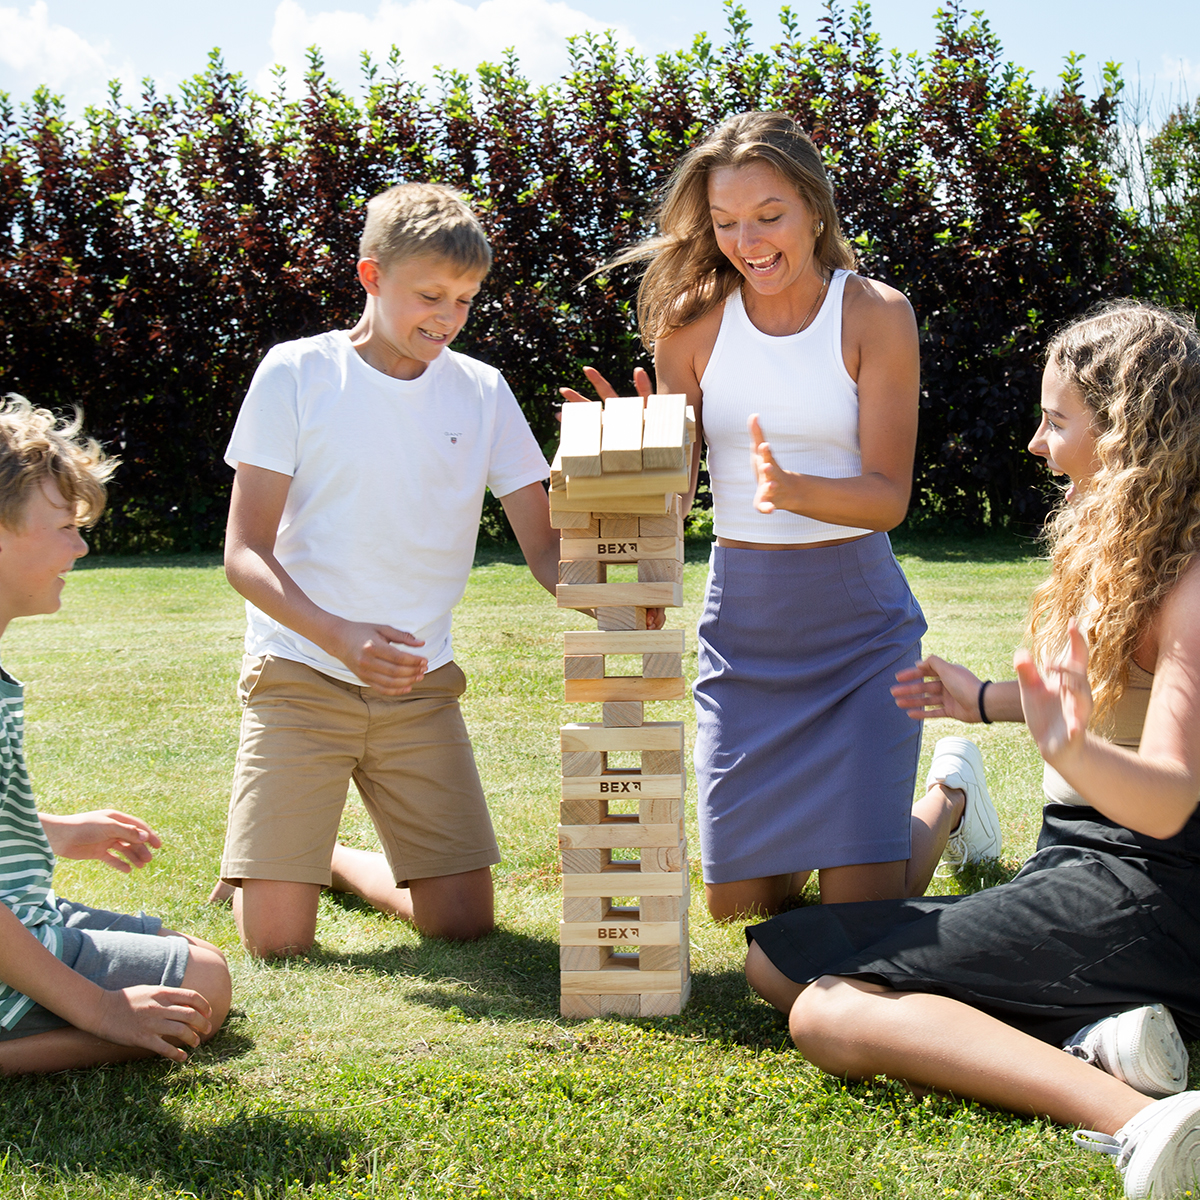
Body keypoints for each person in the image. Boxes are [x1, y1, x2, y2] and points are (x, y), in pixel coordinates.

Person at [744, 301, 1200, 1199]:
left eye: (1056, 420)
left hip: (1154, 891)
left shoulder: (1189, 585)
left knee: (827, 1010)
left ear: (1125, 434)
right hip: (1087, 865)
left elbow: (1169, 797)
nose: (1036, 443)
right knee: (776, 959)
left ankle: (1139, 1118)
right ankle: (1095, 1040)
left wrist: (1067, 745)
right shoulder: (1129, 546)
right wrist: (988, 701)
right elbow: (1105, 699)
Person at [572, 111, 989, 921]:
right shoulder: (689, 329)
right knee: (738, 906)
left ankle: (951, 796)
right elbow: (674, 498)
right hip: (746, 634)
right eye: (726, 222)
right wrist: (625, 460)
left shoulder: (876, 313)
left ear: (814, 210)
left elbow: (888, 495)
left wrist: (796, 490)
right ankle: (852, 833)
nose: (749, 242)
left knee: (855, 911)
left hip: (860, 635)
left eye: (769, 216)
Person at [215, 182, 564, 958]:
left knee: (464, 924)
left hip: (418, 683)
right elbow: (245, 553)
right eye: (430, 295)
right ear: (372, 276)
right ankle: (281, 867)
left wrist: (618, 589)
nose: (448, 317)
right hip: (300, 672)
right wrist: (340, 637)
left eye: (465, 300)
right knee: (276, 944)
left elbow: (546, 551)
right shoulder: (296, 373)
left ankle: (327, 861)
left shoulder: (482, 391)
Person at [0, 396, 230, 1074]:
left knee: (190, 954)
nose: (81, 546)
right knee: (206, 985)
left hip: (23, 910)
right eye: (64, 528)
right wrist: (101, 1011)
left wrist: (53, 833)